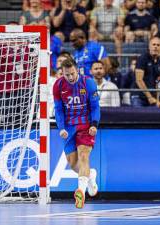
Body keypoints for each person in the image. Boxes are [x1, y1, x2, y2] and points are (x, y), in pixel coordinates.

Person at [53, 58, 100, 209]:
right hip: (68, 127)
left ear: (78, 69)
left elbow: (95, 107)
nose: (71, 77)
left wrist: (94, 124)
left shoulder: (89, 83)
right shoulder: (58, 85)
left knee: (84, 156)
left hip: (86, 126)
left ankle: (81, 192)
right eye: (67, 75)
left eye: (72, 73)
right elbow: (59, 110)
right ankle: (90, 175)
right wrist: (61, 128)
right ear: (63, 73)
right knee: (73, 164)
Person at [134, 36, 160, 106]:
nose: (155, 47)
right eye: (154, 44)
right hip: (139, 97)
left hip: (152, 98)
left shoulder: (159, 62)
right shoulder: (142, 58)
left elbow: (157, 82)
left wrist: (157, 99)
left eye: (158, 45)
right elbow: (139, 80)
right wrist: (149, 97)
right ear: (149, 47)